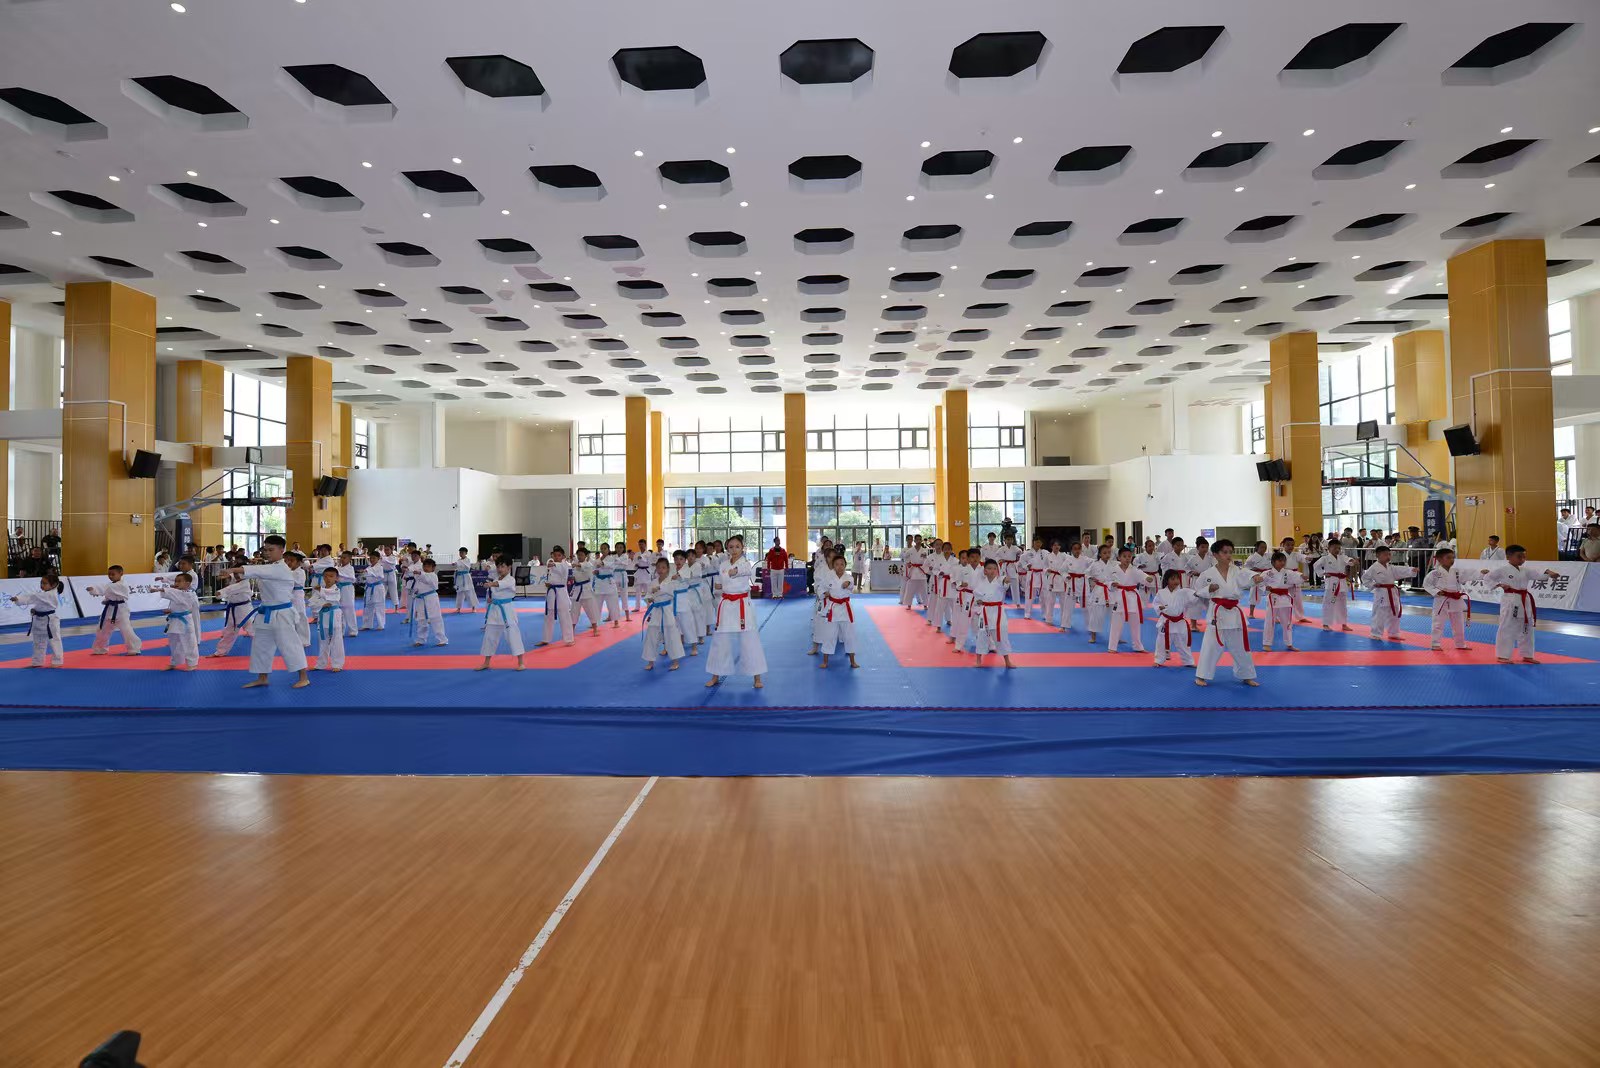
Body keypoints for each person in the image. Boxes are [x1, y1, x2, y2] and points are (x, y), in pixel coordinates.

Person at [230, 534, 310, 689]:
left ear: (281, 550)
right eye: (265, 550)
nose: (266, 553)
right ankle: (262, 677)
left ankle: (303, 677)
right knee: (261, 646)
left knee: (290, 645)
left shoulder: (281, 568)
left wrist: (233, 569)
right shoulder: (269, 567)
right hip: (265, 612)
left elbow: (259, 571)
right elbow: (261, 571)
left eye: (270, 550)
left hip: (282, 613)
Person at [1194, 538, 1259, 687]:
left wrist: (1255, 578)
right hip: (1217, 613)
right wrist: (1208, 589)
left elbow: (1247, 577)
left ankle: (1247, 675)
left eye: (1230, 552)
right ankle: (1202, 675)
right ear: (1215, 554)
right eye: (1225, 552)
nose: (1228, 555)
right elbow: (1197, 591)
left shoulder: (1237, 570)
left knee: (1240, 647)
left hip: (1234, 613)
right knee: (1210, 646)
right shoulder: (1207, 574)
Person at [1482, 545, 1561, 664]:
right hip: (1511, 600)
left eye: (1524, 557)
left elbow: (1540, 575)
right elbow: (1487, 578)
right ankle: (1503, 655)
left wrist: (1549, 573)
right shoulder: (1502, 570)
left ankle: (1527, 655)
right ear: (1508, 557)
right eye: (1519, 556)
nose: (1522, 559)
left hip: (1525, 600)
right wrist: (1499, 585)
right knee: (1507, 626)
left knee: (1527, 627)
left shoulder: (1525, 570)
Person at [706, 534, 767, 688]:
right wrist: (719, 587)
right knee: (720, 640)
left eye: (737, 547)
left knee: (749, 639)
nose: (734, 549)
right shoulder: (723, 565)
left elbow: (745, 570)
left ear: (742, 548)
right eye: (731, 547)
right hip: (726, 604)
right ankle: (715, 675)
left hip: (742, 604)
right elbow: (719, 585)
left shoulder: (745, 563)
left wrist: (735, 571)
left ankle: (757, 677)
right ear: (727, 548)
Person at [478, 554, 526, 670]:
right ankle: (486, 662)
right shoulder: (496, 578)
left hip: (506, 610)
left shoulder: (510, 580)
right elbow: (495, 591)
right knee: (489, 636)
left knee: (513, 635)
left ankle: (521, 663)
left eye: (503, 566)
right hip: (494, 610)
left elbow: (499, 585)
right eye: (498, 566)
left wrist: (490, 584)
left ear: (509, 567)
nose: (500, 569)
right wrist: (492, 599)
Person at [1361, 545, 1417, 642]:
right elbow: (1365, 578)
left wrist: (1411, 570)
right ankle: (1375, 633)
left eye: (1389, 554)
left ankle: (1394, 633)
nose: (1388, 557)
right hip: (1381, 592)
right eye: (1385, 555)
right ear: (1377, 556)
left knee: (1394, 612)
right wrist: (1373, 584)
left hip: (1392, 591)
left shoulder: (1390, 567)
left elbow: (1400, 570)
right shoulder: (1373, 568)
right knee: (1379, 613)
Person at [1422, 546, 1472, 651]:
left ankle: (1460, 644)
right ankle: (1435, 643)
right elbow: (1427, 584)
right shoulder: (1434, 573)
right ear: (1439, 559)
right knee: (1438, 622)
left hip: (1455, 598)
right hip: (1441, 599)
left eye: (1453, 557)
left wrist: (1481, 573)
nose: (1452, 560)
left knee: (1459, 623)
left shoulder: (1457, 571)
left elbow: (1467, 576)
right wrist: (1436, 591)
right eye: (1448, 558)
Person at [641, 556, 686, 671]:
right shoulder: (653, 582)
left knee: (671, 634)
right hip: (656, 610)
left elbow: (670, 591)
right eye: (658, 567)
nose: (660, 570)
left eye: (663, 567)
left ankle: (675, 661)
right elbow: (648, 595)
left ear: (667, 569)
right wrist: (649, 598)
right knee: (651, 634)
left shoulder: (671, 581)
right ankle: (650, 661)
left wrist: (658, 588)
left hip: (667, 610)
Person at [816, 552, 859, 670]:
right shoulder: (829, 577)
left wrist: (847, 584)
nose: (840, 567)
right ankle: (825, 661)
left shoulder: (848, 577)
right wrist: (825, 593)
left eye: (842, 564)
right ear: (833, 566)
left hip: (845, 609)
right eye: (837, 564)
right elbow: (821, 588)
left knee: (849, 635)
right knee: (829, 635)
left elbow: (850, 584)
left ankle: (853, 661)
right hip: (833, 608)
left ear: (845, 565)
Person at [87, 565, 142, 656]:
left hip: (121, 610)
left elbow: (106, 588)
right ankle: (100, 648)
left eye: (113, 574)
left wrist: (94, 589)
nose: (110, 576)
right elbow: (108, 592)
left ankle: (134, 649)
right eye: (109, 574)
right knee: (102, 629)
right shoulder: (110, 585)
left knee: (126, 630)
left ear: (121, 573)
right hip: (109, 609)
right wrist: (99, 594)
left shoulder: (122, 585)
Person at [1105, 545, 1151, 653]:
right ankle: (1112, 647)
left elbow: (1143, 576)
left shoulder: (1134, 570)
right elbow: (1107, 581)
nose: (1127, 558)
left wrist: (1148, 578)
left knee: (1136, 624)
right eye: (1124, 556)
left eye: (1129, 556)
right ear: (1119, 557)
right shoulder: (1113, 570)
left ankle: (1138, 646)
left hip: (1133, 599)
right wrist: (1112, 584)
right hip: (1119, 597)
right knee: (1116, 624)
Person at [970, 558, 1014, 669]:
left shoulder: (999, 581)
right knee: (981, 635)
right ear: (985, 571)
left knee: (1001, 635)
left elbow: (1005, 582)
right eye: (989, 568)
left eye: (994, 568)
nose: (992, 571)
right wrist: (978, 602)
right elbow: (976, 598)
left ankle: (1007, 661)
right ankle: (978, 661)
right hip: (984, 613)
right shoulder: (981, 584)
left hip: (998, 612)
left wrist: (1006, 580)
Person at [155, 571, 200, 671]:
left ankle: (192, 663)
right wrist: (170, 610)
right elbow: (178, 603)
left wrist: (159, 589)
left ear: (187, 584)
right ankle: (174, 662)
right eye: (176, 581)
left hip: (185, 620)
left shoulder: (190, 594)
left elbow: (183, 601)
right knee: (174, 642)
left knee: (189, 642)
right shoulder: (177, 592)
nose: (176, 583)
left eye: (179, 581)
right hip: (174, 619)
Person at [1151, 569, 1196, 668]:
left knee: (1183, 643)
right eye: (1172, 579)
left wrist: (1199, 594)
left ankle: (1188, 661)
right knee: (1161, 642)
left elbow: (1194, 597)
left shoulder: (1183, 592)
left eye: (1177, 579)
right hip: (1166, 622)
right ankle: (1158, 660)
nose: (1176, 581)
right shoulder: (1161, 592)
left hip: (1179, 622)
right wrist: (1159, 607)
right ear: (1167, 580)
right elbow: (1156, 603)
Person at [21, 572, 66, 668]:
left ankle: (57, 661)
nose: (42, 585)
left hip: (50, 621)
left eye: (45, 583)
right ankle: (37, 662)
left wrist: (18, 599)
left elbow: (33, 597)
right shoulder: (44, 594)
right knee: (38, 642)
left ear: (53, 585)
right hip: (39, 620)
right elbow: (40, 604)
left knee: (54, 641)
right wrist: (35, 610)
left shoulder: (50, 594)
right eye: (41, 583)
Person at [1259, 551, 1302, 652]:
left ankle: (1289, 643)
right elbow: (1260, 583)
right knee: (1270, 621)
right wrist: (1265, 587)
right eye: (1280, 561)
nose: (1282, 563)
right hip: (1273, 597)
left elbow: (1297, 577)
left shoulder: (1288, 572)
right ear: (1273, 562)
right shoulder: (1267, 573)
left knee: (1287, 622)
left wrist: (1302, 577)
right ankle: (1266, 643)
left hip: (1285, 598)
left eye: (1284, 561)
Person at [309, 567, 347, 671]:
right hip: (323, 617)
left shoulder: (336, 589)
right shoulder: (320, 590)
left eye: (331, 576)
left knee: (336, 641)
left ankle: (337, 665)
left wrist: (320, 594)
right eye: (325, 576)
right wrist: (322, 604)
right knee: (322, 641)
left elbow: (332, 597)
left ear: (336, 578)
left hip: (334, 616)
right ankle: (321, 664)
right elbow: (311, 603)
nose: (328, 578)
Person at [211, 569, 256, 656]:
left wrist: (220, 592)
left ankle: (265, 647)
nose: (236, 576)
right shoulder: (235, 579)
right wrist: (228, 575)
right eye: (235, 574)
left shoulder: (244, 583)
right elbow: (233, 577)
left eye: (239, 574)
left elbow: (231, 588)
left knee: (252, 630)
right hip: (234, 610)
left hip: (244, 611)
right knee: (230, 631)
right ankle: (220, 651)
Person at [1314, 539, 1356, 632]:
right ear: (1329, 548)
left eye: (1338, 548)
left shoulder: (1342, 557)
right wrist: (1323, 573)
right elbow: (1315, 566)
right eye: (1334, 548)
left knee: (1343, 604)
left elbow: (1349, 561)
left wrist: (1352, 560)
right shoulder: (1325, 558)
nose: (1337, 550)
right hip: (1331, 582)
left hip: (1342, 582)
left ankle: (1344, 624)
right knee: (1329, 603)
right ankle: (1326, 624)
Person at [538, 546, 575, 647]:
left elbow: (560, 569)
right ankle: (545, 639)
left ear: (563, 556)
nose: (556, 557)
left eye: (559, 555)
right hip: (551, 592)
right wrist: (548, 583)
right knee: (548, 616)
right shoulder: (551, 565)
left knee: (565, 616)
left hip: (561, 592)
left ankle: (569, 639)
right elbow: (551, 576)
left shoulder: (564, 565)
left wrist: (553, 564)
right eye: (555, 555)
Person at [671, 549, 702, 656]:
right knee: (675, 624)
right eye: (676, 559)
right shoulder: (671, 569)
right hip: (673, 600)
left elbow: (684, 576)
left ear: (685, 560)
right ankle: (678, 643)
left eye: (681, 559)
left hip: (684, 599)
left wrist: (677, 576)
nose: (678, 561)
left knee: (688, 623)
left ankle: (694, 646)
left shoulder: (687, 570)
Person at [410, 558, 447, 646]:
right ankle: (421, 639)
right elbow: (416, 587)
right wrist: (414, 592)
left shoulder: (433, 576)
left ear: (433, 568)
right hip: (420, 600)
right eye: (424, 566)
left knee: (435, 619)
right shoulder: (420, 576)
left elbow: (427, 580)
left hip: (431, 599)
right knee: (421, 620)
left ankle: (442, 639)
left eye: (428, 566)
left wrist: (420, 573)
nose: (426, 568)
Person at [1085, 542, 1115, 644]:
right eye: (1104, 553)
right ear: (1100, 554)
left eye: (1109, 552)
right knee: (1096, 614)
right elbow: (1086, 573)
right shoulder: (1095, 564)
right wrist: (1091, 578)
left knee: (1115, 615)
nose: (1107, 555)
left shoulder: (1114, 564)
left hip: (1111, 590)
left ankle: (1117, 636)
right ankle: (1093, 636)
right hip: (1099, 590)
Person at [570, 547, 603, 636]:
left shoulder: (588, 564)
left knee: (591, 610)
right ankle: (571, 630)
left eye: (581, 555)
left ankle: (595, 628)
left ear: (585, 556)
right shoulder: (575, 566)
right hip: (577, 590)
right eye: (578, 555)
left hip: (586, 590)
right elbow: (575, 575)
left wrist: (575, 565)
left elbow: (582, 567)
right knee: (574, 611)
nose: (579, 556)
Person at [593, 544, 627, 626]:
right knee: (597, 604)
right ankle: (595, 622)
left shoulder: (612, 558)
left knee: (612, 603)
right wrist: (596, 571)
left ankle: (616, 621)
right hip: (599, 583)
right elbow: (595, 569)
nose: (603, 550)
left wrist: (602, 564)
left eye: (605, 548)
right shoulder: (597, 560)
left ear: (608, 549)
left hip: (609, 582)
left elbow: (611, 566)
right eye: (601, 548)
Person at [1062, 540, 1091, 633]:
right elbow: (1062, 570)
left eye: (1078, 549)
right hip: (1072, 583)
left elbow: (1094, 564)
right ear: (1071, 550)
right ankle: (1064, 625)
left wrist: (1089, 573)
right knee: (1068, 606)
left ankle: (1090, 627)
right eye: (1075, 549)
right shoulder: (1068, 560)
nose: (1077, 551)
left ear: (1081, 550)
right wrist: (1066, 576)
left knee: (1087, 607)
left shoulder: (1086, 559)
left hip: (1083, 584)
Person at [1241, 541, 1272, 617]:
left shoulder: (1268, 556)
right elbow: (1246, 568)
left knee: (1271, 594)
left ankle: (1272, 612)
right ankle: (1251, 613)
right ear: (1257, 547)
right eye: (1262, 547)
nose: (1264, 549)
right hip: (1257, 576)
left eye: (1265, 547)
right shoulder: (1252, 557)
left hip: (1267, 576)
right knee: (1254, 594)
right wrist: (1253, 571)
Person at [335, 552, 360, 637]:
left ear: (350, 559)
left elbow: (352, 578)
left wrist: (338, 573)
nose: (342, 559)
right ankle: (340, 630)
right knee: (339, 610)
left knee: (349, 609)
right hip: (338, 589)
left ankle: (353, 630)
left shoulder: (350, 568)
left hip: (347, 588)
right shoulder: (338, 568)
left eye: (344, 558)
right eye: (341, 557)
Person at [900, 537, 929, 612]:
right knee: (910, 589)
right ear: (915, 540)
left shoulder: (925, 550)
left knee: (924, 590)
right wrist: (908, 563)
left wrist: (926, 568)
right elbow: (905, 558)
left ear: (921, 540)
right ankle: (909, 604)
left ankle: (925, 604)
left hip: (921, 571)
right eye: (917, 539)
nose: (918, 541)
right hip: (913, 571)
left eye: (920, 539)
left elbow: (926, 561)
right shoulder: (910, 550)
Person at [454, 548, 481, 613]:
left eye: (462, 552)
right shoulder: (458, 560)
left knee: (470, 592)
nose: (461, 554)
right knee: (459, 593)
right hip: (459, 578)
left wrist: (457, 563)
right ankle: (458, 608)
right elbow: (458, 567)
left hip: (466, 577)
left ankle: (473, 607)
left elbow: (467, 567)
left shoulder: (467, 560)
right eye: (460, 552)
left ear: (466, 553)